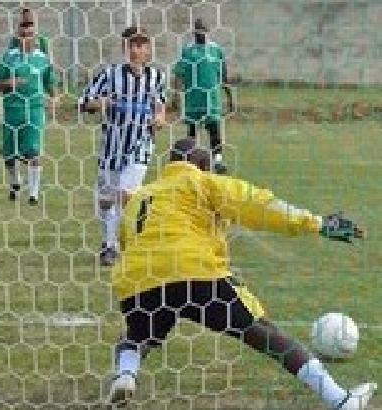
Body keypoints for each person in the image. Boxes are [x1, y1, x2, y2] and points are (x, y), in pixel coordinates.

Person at [107, 138, 376, 409]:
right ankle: (340, 400)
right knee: (264, 332)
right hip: (194, 272)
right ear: (201, 165)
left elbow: (125, 239)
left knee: (136, 335)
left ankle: (126, 375)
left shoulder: (140, 195)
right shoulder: (203, 182)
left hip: (137, 280)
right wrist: (319, 224)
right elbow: (261, 207)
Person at [79, 27, 166, 267]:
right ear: (124, 48)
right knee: (106, 199)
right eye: (132, 45)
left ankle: (132, 239)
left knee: (125, 194)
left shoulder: (157, 77)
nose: (136, 50)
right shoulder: (109, 75)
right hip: (111, 147)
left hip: (140, 146)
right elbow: (84, 103)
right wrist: (101, 103)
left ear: (148, 49)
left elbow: (160, 106)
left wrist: (159, 119)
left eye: (141, 45)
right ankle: (110, 245)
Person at [0, 20, 57, 205]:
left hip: (34, 110)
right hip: (11, 110)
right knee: (10, 154)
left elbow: (50, 83)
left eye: (30, 35)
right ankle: (14, 182)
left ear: (35, 36)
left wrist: (54, 99)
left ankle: (34, 194)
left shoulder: (42, 59)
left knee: (33, 152)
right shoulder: (8, 58)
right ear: (17, 37)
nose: (26, 38)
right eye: (23, 35)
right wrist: (8, 84)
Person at [173, 18, 233, 174]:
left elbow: (224, 75)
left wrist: (230, 97)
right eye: (198, 29)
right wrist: (176, 95)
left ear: (208, 31)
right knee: (192, 132)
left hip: (212, 98)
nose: (201, 32)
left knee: (214, 129)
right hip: (193, 98)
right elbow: (179, 73)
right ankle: (191, 162)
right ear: (194, 32)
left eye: (203, 29)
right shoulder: (188, 50)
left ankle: (218, 161)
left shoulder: (216, 50)